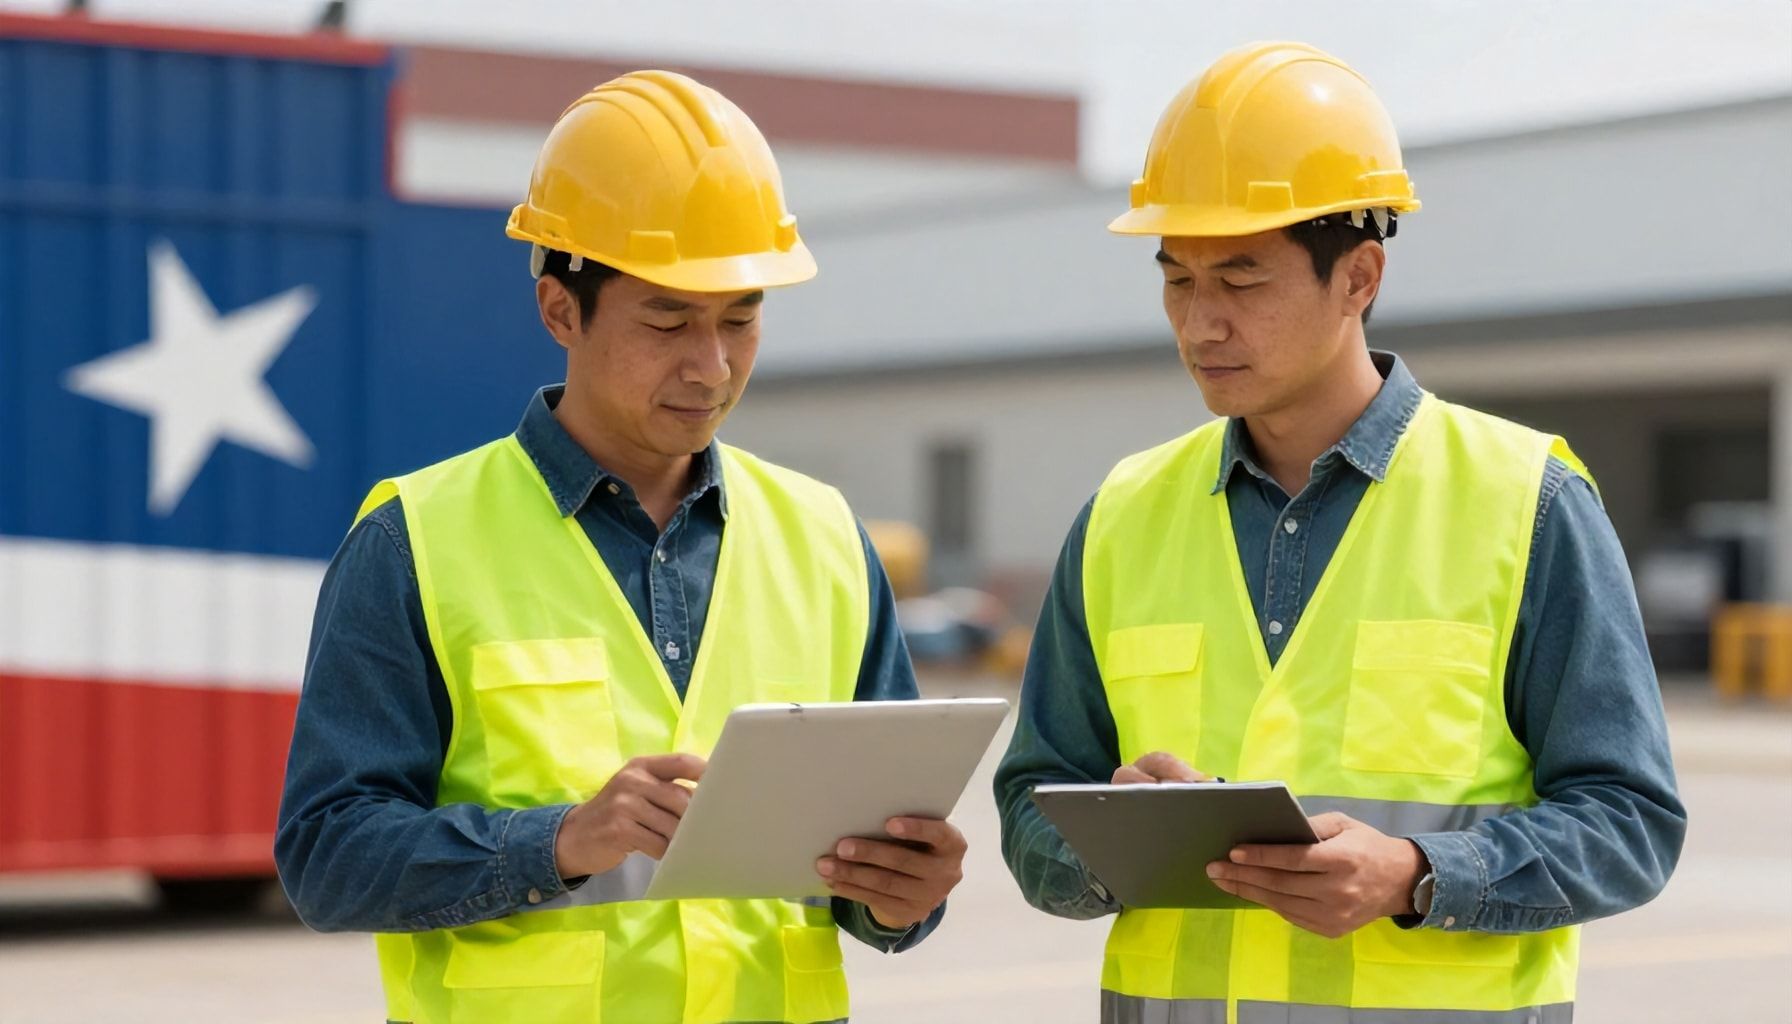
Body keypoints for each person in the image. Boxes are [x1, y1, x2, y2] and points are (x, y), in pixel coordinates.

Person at [995, 41, 1684, 1023]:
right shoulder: (1121, 512)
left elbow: (1631, 823)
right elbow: (1033, 803)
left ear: (1358, 276)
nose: (1200, 324)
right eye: (1177, 280)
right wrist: (1108, 840)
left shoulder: (1525, 500)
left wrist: (1416, 873)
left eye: (1240, 279)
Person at [277, 70, 964, 1024]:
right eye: (669, 320)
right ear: (562, 310)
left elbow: (873, 871)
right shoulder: (415, 542)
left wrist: (902, 898)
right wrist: (558, 842)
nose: (711, 366)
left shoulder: (830, 542)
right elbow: (326, 859)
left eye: (740, 319)